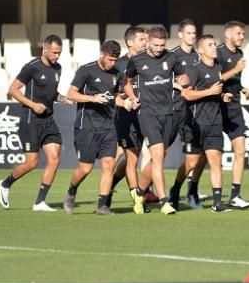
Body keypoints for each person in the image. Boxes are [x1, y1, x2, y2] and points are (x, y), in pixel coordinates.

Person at [0, 35, 66, 211]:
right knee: (32, 162)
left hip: (48, 119)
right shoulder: (32, 67)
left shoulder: (58, 68)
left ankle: (40, 202)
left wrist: (64, 98)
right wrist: (33, 105)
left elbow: (51, 92)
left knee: (55, 158)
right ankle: (5, 183)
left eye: (60, 53)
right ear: (45, 49)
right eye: (55, 52)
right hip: (30, 119)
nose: (57, 56)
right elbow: (13, 90)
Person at [62, 40, 122, 216]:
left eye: (115, 60)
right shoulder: (86, 70)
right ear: (102, 55)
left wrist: (125, 102)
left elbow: (115, 97)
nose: (113, 63)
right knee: (86, 168)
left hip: (108, 127)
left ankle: (102, 205)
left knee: (109, 164)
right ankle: (72, 191)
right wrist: (93, 98)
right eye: (110, 59)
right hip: (86, 127)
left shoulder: (117, 73)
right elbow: (71, 95)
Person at [125, 26, 180, 215]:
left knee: (161, 155)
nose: (158, 48)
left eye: (162, 45)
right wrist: (132, 98)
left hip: (168, 113)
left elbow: (183, 76)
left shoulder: (171, 57)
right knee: (157, 155)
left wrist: (184, 81)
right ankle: (164, 201)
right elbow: (126, 81)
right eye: (155, 44)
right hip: (147, 114)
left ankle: (139, 193)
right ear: (147, 41)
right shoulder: (137, 60)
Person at [180, 33, 231, 212]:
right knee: (191, 164)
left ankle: (217, 203)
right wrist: (209, 92)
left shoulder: (217, 67)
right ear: (201, 50)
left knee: (216, 161)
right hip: (195, 124)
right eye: (210, 45)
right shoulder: (194, 70)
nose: (214, 47)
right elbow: (186, 94)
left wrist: (223, 95)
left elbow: (216, 91)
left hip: (215, 123)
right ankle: (175, 190)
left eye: (215, 44)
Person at [217, 21, 249, 209]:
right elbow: (214, 79)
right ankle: (191, 190)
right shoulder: (218, 53)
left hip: (235, 108)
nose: (241, 37)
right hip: (216, 109)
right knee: (202, 157)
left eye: (242, 34)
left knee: (241, 151)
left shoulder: (239, 53)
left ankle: (235, 195)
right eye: (239, 34)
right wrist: (235, 71)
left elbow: (233, 80)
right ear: (229, 35)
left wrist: (243, 88)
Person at [168, 19, 204, 210]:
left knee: (196, 158)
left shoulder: (198, 57)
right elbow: (159, 81)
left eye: (194, 33)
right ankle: (143, 190)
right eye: (188, 33)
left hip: (195, 113)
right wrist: (176, 84)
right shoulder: (172, 56)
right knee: (159, 154)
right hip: (174, 111)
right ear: (180, 34)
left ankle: (182, 190)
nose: (192, 36)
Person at [113, 26, 148, 214]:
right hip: (125, 116)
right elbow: (112, 91)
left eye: (146, 39)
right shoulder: (119, 64)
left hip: (144, 116)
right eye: (141, 39)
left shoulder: (149, 62)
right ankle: (137, 200)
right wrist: (127, 98)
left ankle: (109, 187)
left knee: (131, 159)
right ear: (130, 42)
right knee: (132, 159)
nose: (145, 42)